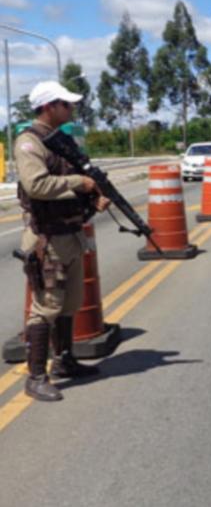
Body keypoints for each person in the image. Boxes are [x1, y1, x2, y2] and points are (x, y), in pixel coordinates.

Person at [15, 81, 110, 401]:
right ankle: (36, 377)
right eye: (66, 104)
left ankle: (64, 361)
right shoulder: (29, 143)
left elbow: (76, 183)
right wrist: (79, 183)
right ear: (48, 107)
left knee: (70, 303)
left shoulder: (62, 140)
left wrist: (93, 198)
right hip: (48, 239)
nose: (71, 109)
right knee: (47, 307)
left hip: (71, 234)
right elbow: (37, 185)